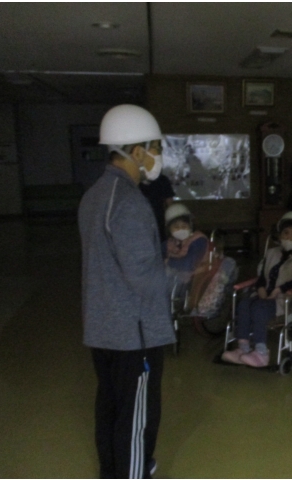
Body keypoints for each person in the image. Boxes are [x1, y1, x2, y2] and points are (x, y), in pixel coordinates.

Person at [78, 104, 176, 479]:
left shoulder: (94, 195)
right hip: (134, 334)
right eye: (156, 148)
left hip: (103, 327)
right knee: (136, 418)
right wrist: (185, 274)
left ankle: (113, 471)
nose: (158, 156)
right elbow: (144, 279)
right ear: (137, 152)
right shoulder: (130, 202)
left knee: (110, 406)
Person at [221, 212, 292, 368]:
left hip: (285, 299)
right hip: (264, 296)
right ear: (279, 235)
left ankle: (261, 353)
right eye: (286, 233)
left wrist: (279, 289)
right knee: (244, 304)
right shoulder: (272, 253)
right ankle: (243, 348)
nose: (289, 237)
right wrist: (260, 288)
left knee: (259, 308)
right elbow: (262, 276)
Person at [162, 202, 209, 287]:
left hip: (198, 282)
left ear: (190, 226)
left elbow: (189, 264)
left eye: (184, 226)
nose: (181, 229)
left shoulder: (199, 240)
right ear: (169, 229)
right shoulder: (170, 243)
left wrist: (168, 262)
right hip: (179, 282)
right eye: (176, 227)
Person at [140, 173, 175, 241]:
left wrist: (171, 222)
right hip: (140, 221)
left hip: (159, 221)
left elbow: (170, 203)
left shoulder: (162, 179)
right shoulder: (136, 179)